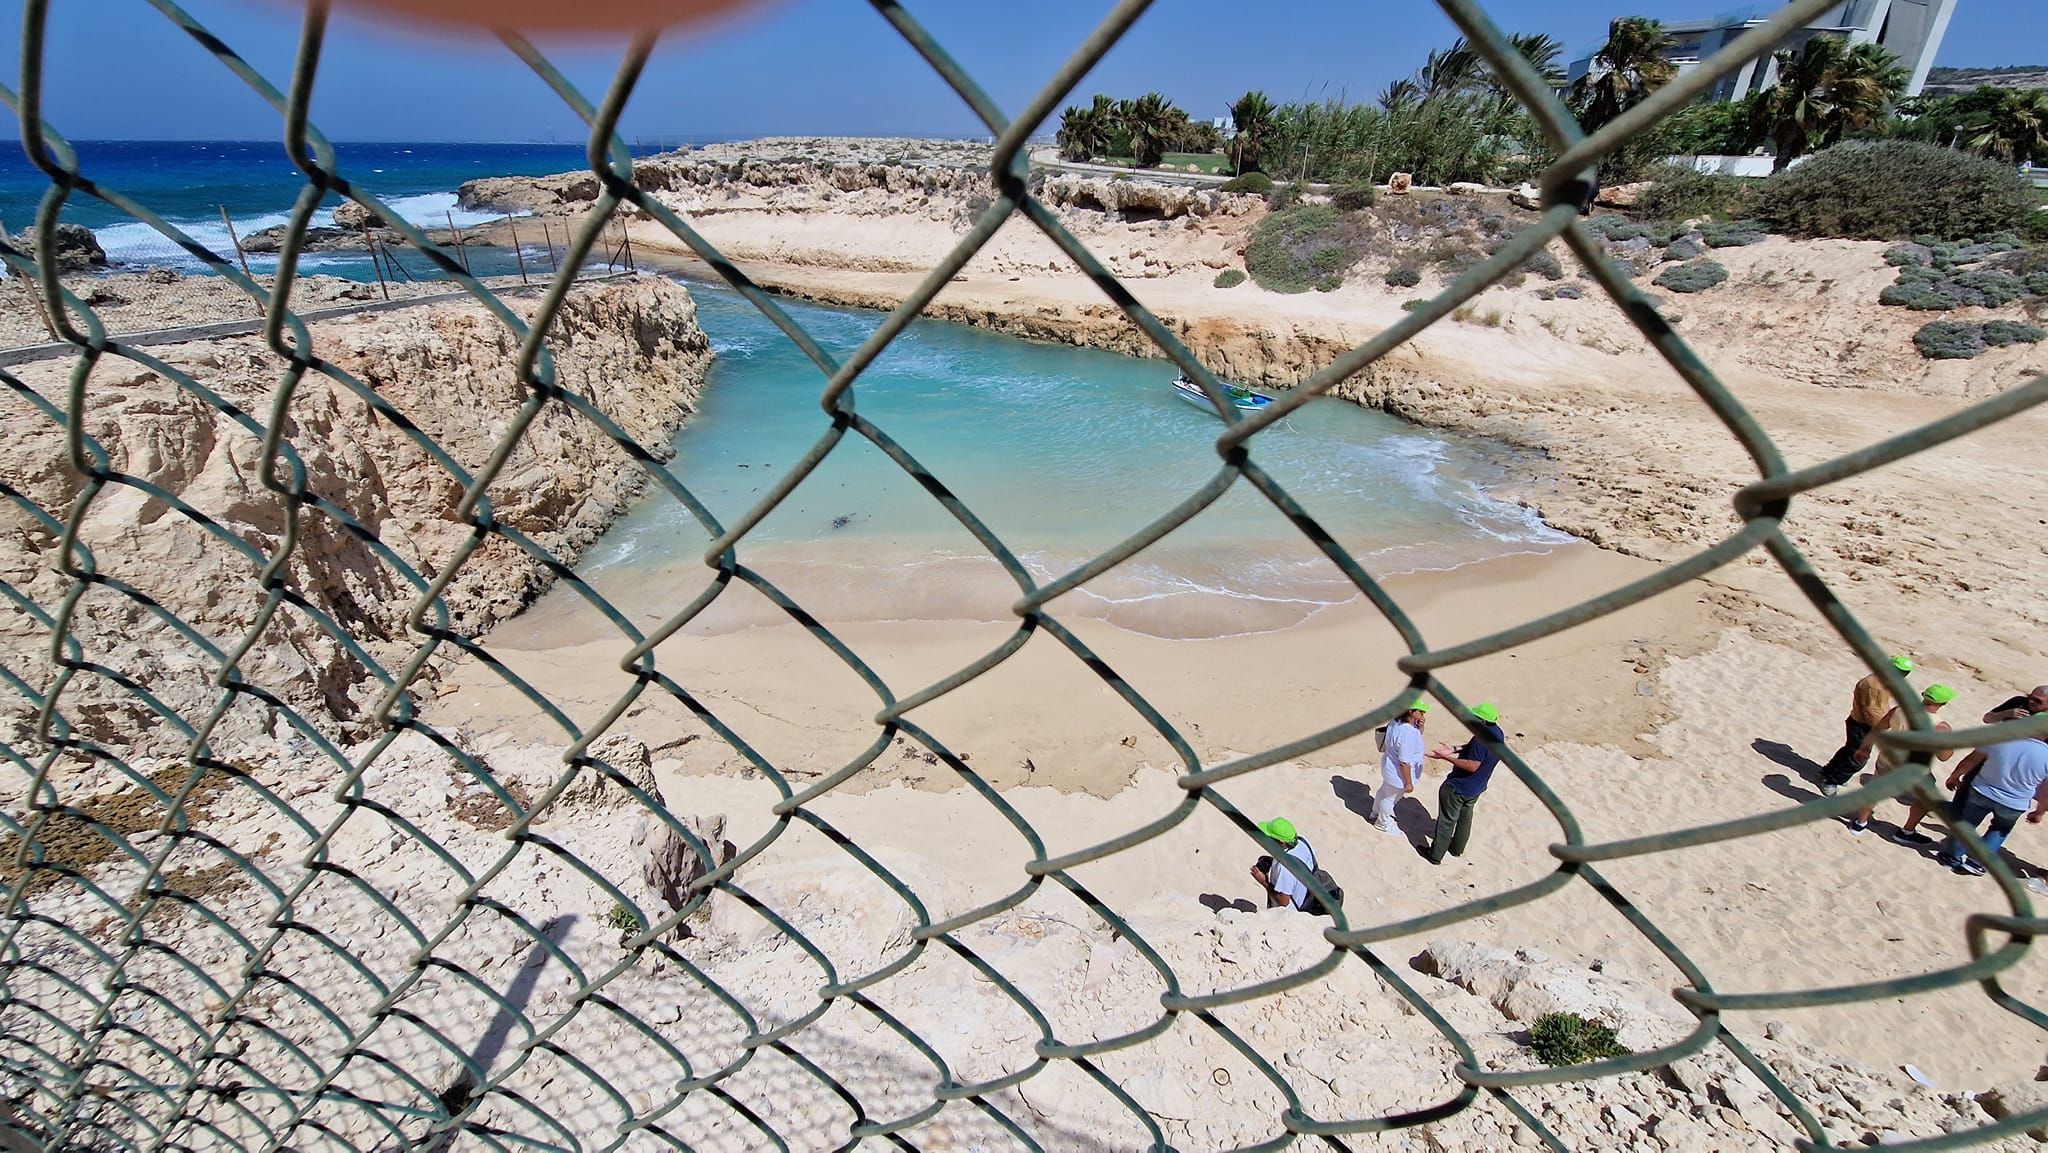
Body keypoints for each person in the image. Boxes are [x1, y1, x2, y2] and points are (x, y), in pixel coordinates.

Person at [1842, 684, 1957, 837]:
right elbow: (1944, 757)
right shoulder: (1940, 727)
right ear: (1943, 704)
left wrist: (1865, 748)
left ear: (1923, 695)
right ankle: (1907, 832)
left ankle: (1859, 823)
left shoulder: (1899, 710)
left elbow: (1879, 729)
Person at [1934, 732, 2048, 876]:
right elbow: (2046, 792)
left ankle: (1951, 857)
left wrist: (1955, 776)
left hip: (1982, 791)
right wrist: (2039, 812)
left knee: (1967, 824)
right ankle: (1975, 863)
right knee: (1999, 830)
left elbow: (1971, 760)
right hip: (2014, 802)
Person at [1819, 655, 1913, 795]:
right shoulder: (1873, 686)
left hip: (1865, 723)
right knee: (1857, 758)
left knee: (1849, 750)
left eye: (1905, 673)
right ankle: (1832, 781)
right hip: (1862, 725)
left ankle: (1829, 771)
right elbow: (1870, 712)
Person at [1423, 703, 1504, 865]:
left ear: (1482, 721)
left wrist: (1446, 758)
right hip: (1477, 787)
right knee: (1465, 819)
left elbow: (1473, 765)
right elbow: (1474, 749)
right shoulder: (1497, 733)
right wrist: (1454, 749)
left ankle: (1435, 855)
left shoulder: (1481, 738)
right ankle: (1457, 848)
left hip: (1458, 787)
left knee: (1447, 821)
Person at [1374, 701, 1429, 835]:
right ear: (1411, 711)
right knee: (1390, 798)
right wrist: (1408, 782)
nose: (1423, 714)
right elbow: (1404, 762)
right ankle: (1382, 823)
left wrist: (1420, 727)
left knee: (1384, 791)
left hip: (1389, 766)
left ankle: (1375, 812)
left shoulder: (1395, 722)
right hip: (1398, 774)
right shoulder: (1407, 733)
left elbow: (1414, 738)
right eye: (1420, 711)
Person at [1249, 817, 1318, 910]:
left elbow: (1283, 901)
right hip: (1307, 898)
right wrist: (1274, 861)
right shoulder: (1303, 842)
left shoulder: (1285, 867)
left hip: (1288, 914)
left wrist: (1264, 882)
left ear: (1282, 843)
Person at [1983, 685, 2048, 725]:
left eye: (2037, 701)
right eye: (2030, 697)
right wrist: (2005, 713)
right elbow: (1987, 719)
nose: (2031, 701)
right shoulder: (2019, 701)